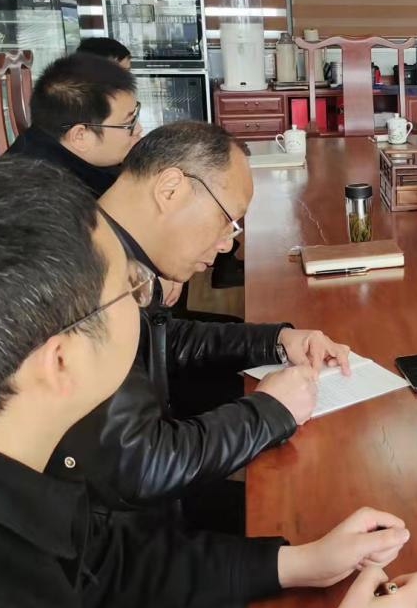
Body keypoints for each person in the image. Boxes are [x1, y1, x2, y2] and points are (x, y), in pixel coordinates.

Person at [0, 158, 417, 608]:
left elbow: (106, 570)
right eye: (130, 288)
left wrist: (302, 563)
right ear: (59, 361)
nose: (149, 303)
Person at [53, 122, 352, 521]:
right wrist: (270, 411)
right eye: (228, 220)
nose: (228, 243)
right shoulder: (87, 280)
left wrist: (277, 341)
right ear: (170, 189)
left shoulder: (101, 238)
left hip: (133, 507)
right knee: (309, 509)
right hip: (109, 532)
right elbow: (142, 468)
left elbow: (160, 338)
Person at [6, 51, 142, 196]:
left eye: (135, 115)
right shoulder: (51, 195)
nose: (138, 129)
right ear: (80, 136)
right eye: (128, 123)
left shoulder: (48, 142)